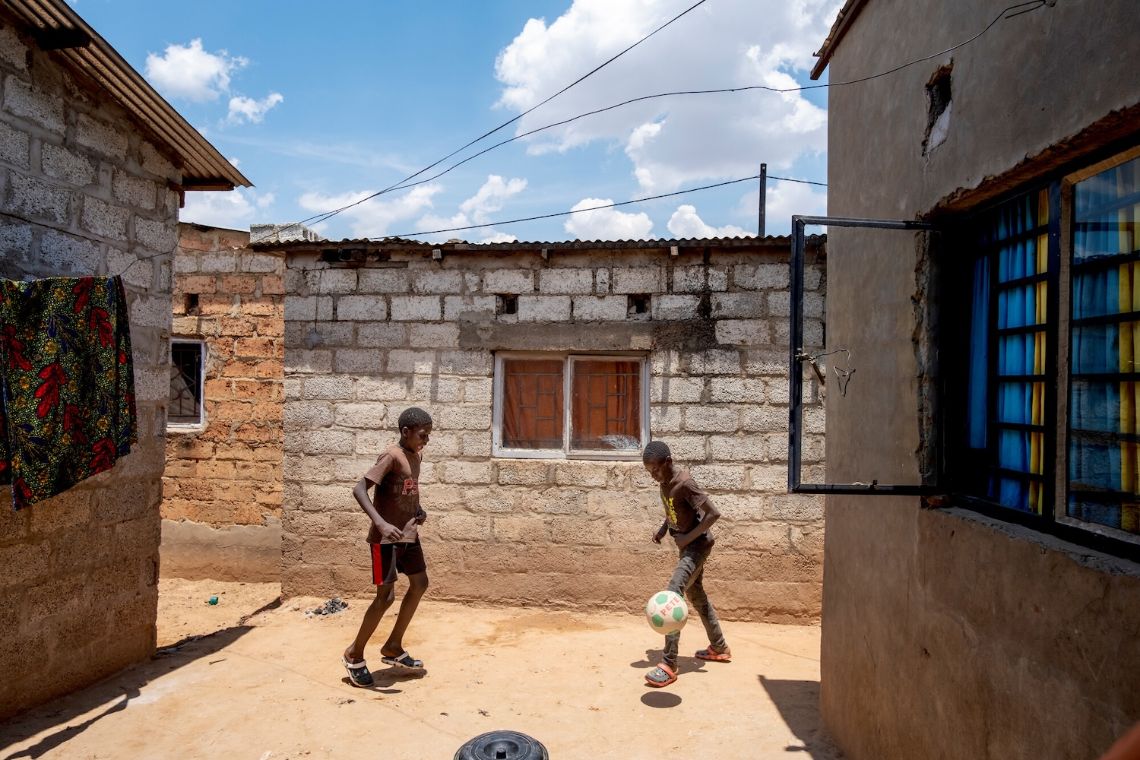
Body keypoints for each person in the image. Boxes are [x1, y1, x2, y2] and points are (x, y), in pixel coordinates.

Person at [341, 407, 433, 687]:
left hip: (408, 535)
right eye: (422, 435)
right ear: (405, 432)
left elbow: (406, 491)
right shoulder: (391, 456)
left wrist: (418, 510)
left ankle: (393, 646)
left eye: (428, 435)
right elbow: (360, 489)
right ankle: (354, 654)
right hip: (386, 540)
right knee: (385, 598)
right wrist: (380, 523)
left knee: (420, 584)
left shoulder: (415, 456)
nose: (425, 440)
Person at [642, 440, 731, 687]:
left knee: (672, 595)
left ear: (668, 462)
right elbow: (673, 512)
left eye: (656, 470)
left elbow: (713, 513)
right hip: (688, 547)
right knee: (698, 597)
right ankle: (719, 647)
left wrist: (686, 539)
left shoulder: (685, 483)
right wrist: (663, 530)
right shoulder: (665, 483)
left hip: (698, 547)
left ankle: (669, 664)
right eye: (649, 472)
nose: (653, 476)